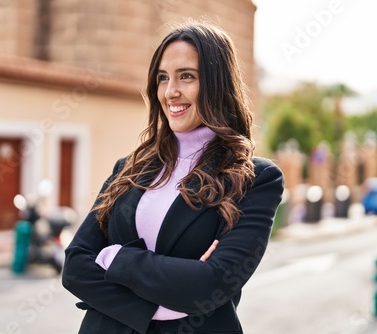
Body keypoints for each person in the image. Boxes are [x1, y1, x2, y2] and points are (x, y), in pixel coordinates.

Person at [62, 20, 284, 334]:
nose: (171, 91)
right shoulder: (128, 169)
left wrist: (115, 258)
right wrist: (173, 294)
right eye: (162, 78)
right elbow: (74, 268)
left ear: (217, 83)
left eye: (187, 77)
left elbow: (211, 285)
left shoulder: (255, 179)